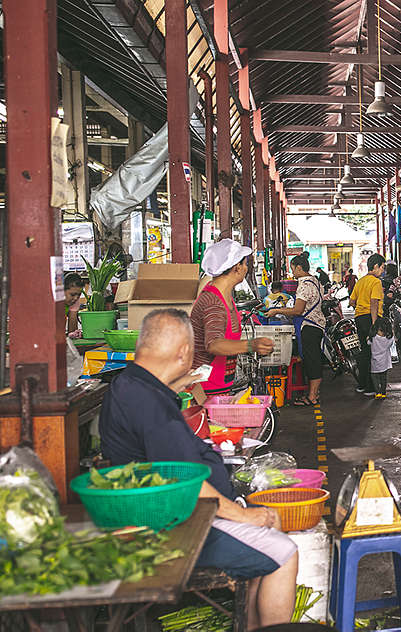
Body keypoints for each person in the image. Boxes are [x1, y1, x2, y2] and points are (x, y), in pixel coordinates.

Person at [99, 309, 298, 629]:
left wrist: (181, 383)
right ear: (184, 353)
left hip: (164, 514)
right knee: (284, 553)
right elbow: (185, 482)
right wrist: (245, 514)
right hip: (173, 528)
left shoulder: (132, 383)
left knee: (269, 533)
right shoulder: (150, 402)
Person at [190, 239, 274, 396]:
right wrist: (251, 346)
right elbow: (213, 345)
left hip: (219, 384)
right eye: (245, 264)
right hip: (205, 388)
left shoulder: (224, 296)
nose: (246, 268)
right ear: (237, 268)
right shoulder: (213, 302)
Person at [265, 254, 326, 406]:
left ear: (299, 267)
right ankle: (314, 394)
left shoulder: (304, 285)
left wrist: (277, 311)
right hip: (317, 325)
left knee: (312, 362)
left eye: (293, 269)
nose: (292, 273)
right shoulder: (316, 282)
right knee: (314, 359)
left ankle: (312, 397)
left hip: (309, 326)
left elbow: (298, 310)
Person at [349, 253, 386, 396]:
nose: (382, 271)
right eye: (382, 267)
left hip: (359, 318)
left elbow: (352, 302)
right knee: (374, 354)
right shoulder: (376, 282)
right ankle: (371, 387)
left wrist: (360, 307)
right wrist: (375, 324)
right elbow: (374, 303)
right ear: (376, 266)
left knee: (364, 352)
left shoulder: (361, 281)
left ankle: (362, 385)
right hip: (371, 319)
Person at [370, 317, 395, 400]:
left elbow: (367, 343)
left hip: (375, 362)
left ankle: (378, 393)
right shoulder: (389, 338)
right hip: (385, 362)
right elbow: (391, 343)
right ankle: (383, 393)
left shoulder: (373, 337)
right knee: (383, 378)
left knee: (375, 377)